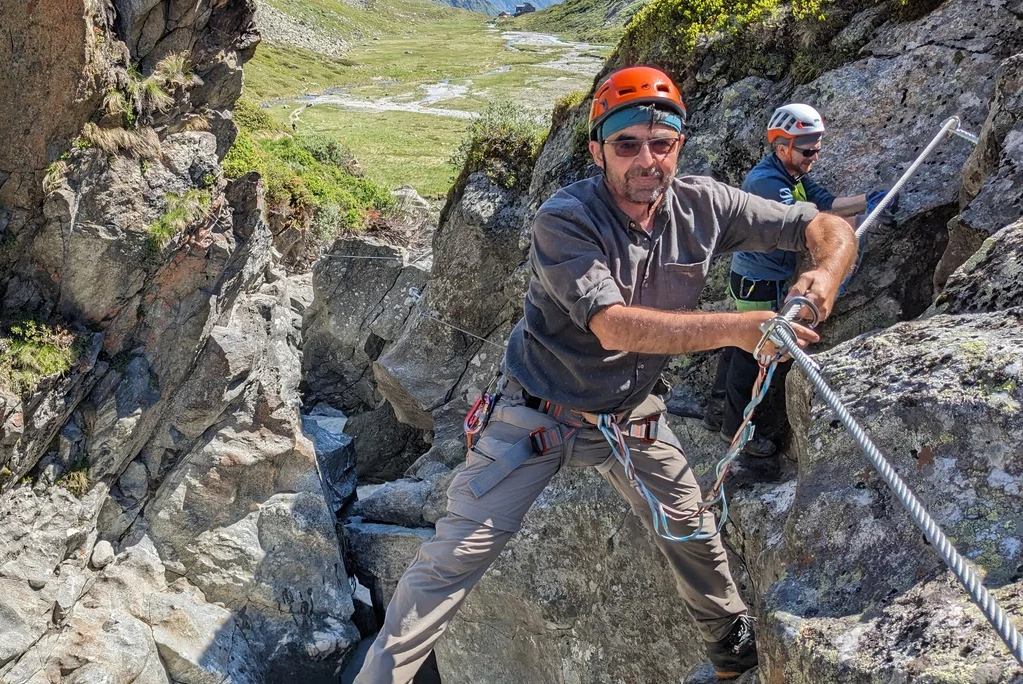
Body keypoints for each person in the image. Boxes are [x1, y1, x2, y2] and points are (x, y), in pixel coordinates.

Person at [354, 67, 857, 683]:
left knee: (691, 532)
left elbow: (823, 226)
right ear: (598, 152)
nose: (647, 159)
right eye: (627, 145)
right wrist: (737, 328)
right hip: (537, 412)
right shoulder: (566, 219)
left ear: (679, 145)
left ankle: (733, 650)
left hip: (630, 413)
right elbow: (613, 326)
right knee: (453, 558)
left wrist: (823, 277)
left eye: (661, 143)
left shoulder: (704, 205)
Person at [703, 104, 894, 457]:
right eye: (808, 151)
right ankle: (735, 430)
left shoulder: (792, 173)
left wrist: (868, 202)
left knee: (740, 341)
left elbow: (825, 203)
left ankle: (718, 407)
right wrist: (856, 227)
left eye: (817, 148)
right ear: (782, 148)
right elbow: (800, 226)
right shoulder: (767, 183)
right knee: (752, 350)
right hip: (759, 280)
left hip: (757, 276)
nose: (815, 157)